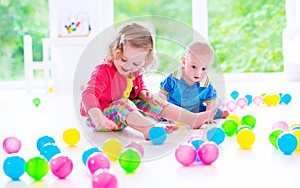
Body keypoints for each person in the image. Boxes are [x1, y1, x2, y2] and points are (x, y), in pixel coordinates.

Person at [80, 22, 217, 140]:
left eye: (136, 63)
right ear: (116, 50)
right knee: (122, 103)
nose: (128, 67)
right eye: (123, 59)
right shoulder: (103, 71)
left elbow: (137, 87)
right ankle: (148, 129)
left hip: (123, 114)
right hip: (101, 118)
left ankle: (191, 119)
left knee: (153, 99)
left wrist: (143, 93)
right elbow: (88, 93)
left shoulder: (133, 70)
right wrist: (97, 116)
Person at [159, 41, 229, 120]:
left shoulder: (206, 84)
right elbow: (162, 93)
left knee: (211, 111)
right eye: (193, 67)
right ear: (184, 61)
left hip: (195, 111)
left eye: (204, 69)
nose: (198, 73)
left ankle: (219, 114)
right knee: (156, 110)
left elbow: (211, 101)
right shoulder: (174, 78)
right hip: (174, 108)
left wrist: (208, 117)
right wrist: (165, 108)